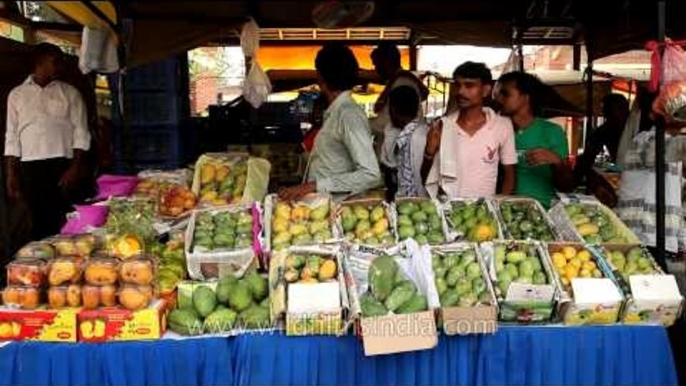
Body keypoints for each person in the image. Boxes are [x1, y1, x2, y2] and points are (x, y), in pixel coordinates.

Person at [4, 43, 91, 239]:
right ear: (40, 62)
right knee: (38, 217)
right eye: (56, 62)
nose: (60, 66)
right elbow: (12, 136)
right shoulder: (17, 95)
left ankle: (70, 260)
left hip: (63, 163)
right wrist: (11, 173)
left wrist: (75, 167)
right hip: (30, 166)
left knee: (66, 216)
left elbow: (81, 132)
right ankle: (43, 262)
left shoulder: (70, 93)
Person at [279, 43, 381, 201]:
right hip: (323, 208)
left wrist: (314, 185)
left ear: (321, 77)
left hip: (337, 209)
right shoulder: (334, 113)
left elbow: (371, 175)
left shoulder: (348, 115)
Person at [421, 62, 516, 198]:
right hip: (449, 209)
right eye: (457, 85)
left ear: (485, 90)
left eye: (469, 86)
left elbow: (509, 175)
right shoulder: (444, 126)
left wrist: (499, 205)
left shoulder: (502, 126)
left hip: (484, 212)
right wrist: (428, 153)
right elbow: (427, 178)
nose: (460, 91)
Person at [497, 71, 575, 208]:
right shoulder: (495, 129)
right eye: (499, 94)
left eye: (505, 94)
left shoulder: (552, 132)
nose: (499, 99)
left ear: (525, 97)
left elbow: (567, 186)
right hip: (500, 207)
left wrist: (557, 162)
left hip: (540, 210)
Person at [369, 42, 428, 191]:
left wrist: (361, 124)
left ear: (387, 62)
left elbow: (384, 122)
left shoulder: (402, 83)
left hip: (404, 156)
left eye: (377, 64)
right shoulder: (400, 80)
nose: (376, 69)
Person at [575, 93, 630, 183]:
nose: (605, 115)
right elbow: (587, 157)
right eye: (605, 112)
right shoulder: (604, 130)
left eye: (610, 112)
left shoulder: (638, 126)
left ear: (624, 109)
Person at [389, 86, 428, 198]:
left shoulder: (414, 137)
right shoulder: (421, 131)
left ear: (393, 109)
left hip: (414, 203)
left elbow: (415, 179)